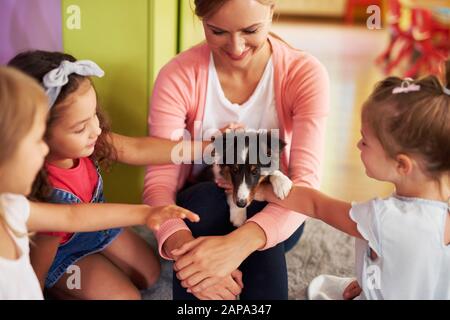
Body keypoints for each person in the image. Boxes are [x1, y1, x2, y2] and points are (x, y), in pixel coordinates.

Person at [144, 0, 329, 299]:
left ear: (272, 9)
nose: (236, 47)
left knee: (257, 198)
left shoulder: (303, 74)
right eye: (217, 31)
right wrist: (183, 250)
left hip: (275, 208)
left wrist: (239, 244)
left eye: (251, 30)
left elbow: (305, 185)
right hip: (200, 207)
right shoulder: (178, 75)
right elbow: (159, 183)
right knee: (205, 200)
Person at [8, 51, 206, 300]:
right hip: (62, 253)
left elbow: (140, 149)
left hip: (99, 226)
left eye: (93, 114)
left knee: (152, 272)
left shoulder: (90, 141)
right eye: (80, 127)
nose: (96, 129)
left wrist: (208, 148)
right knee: (126, 297)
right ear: (39, 133)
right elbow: (56, 239)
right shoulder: (42, 189)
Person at [256, 66, 450, 299]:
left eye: (365, 141)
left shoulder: (382, 218)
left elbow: (316, 205)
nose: (358, 146)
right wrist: (372, 280)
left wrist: (262, 190)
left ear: (402, 165)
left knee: (317, 290)